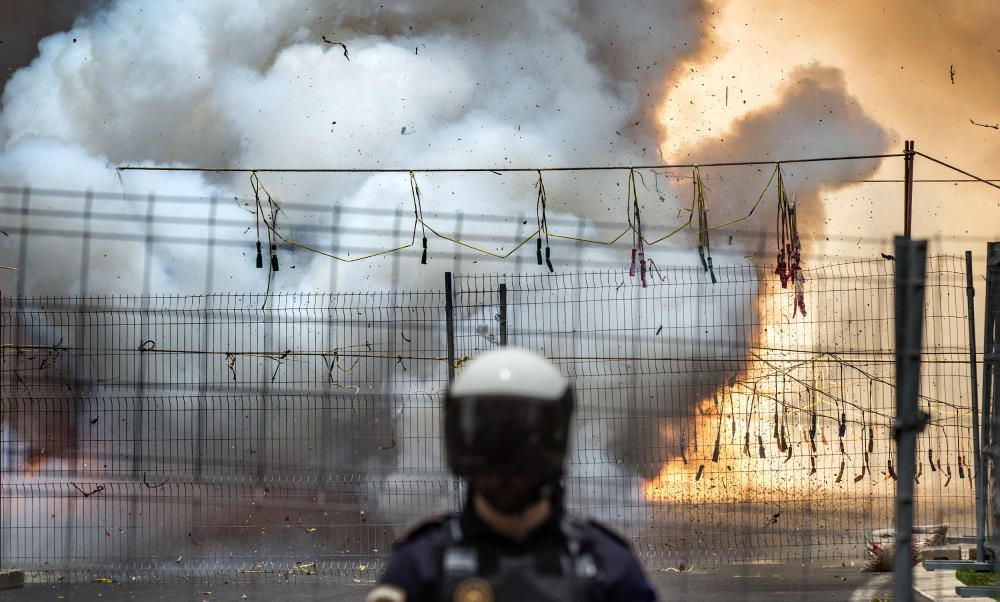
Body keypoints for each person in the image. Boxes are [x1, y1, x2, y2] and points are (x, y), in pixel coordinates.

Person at [367, 348, 657, 602]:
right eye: (490, 441)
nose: (504, 462)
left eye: (519, 443)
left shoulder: (607, 567)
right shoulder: (420, 567)